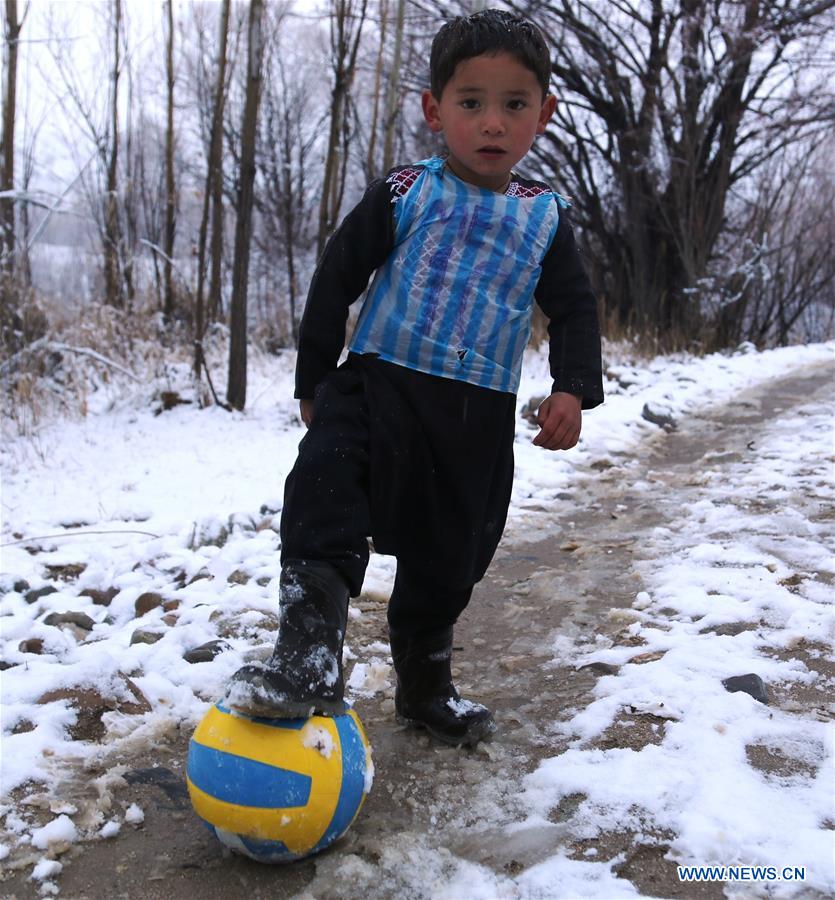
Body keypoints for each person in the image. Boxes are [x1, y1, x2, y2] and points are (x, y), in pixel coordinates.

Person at [225, 8, 604, 747]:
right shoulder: (404, 192)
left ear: (544, 115)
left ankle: (426, 686)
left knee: (449, 556)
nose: (491, 123)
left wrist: (571, 387)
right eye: (471, 103)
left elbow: (574, 308)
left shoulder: (544, 219)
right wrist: (314, 380)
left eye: (514, 104)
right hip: (376, 390)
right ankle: (305, 655)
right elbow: (336, 279)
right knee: (321, 495)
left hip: (475, 417)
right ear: (435, 110)